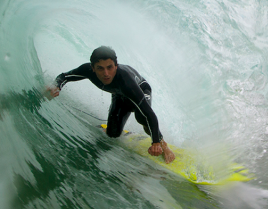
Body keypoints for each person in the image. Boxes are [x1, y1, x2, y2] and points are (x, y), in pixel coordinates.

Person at [46, 46, 175, 164]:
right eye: (100, 68)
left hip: (140, 90)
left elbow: (149, 113)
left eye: (110, 67)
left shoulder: (126, 81)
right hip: (119, 95)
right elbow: (65, 76)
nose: (106, 73)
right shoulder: (87, 70)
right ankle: (115, 129)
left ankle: (163, 144)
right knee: (112, 134)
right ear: (93, 68)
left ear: (116, 66)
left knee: (141, 117)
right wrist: (56, 86)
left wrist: (156, 143)